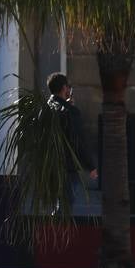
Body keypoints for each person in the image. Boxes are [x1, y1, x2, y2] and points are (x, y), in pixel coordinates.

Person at [46, 72, 97, 209]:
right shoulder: (71, 113)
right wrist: (90, 165)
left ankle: (54, 228)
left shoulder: (46, 108)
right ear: (64, 88)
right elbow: (78, 140)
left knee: (56, 205)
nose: (69, 89)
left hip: (49, 165)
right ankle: (60, 230)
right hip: (67, 167)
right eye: (68, 86)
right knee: (66, 206)